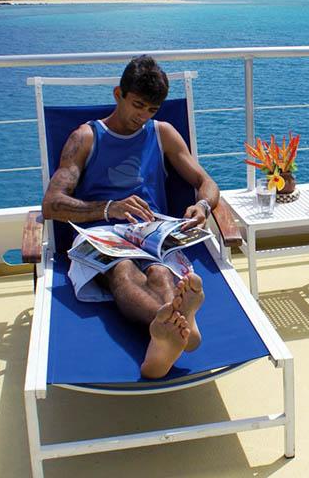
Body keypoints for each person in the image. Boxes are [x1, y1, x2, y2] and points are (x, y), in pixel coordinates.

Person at [42, 55, 219, 378]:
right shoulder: (86, 138)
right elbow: (52, 204)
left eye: (152, 109)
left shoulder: (162, 133)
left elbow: (206, 183)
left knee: (160, 273)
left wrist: (203, 207)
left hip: (151, 232)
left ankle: (169, 332)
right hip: (101, 234)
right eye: (138, 105)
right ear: (118, 94)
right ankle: (176, 324)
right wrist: (110, 208)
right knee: (122, 270)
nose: (143, 116)